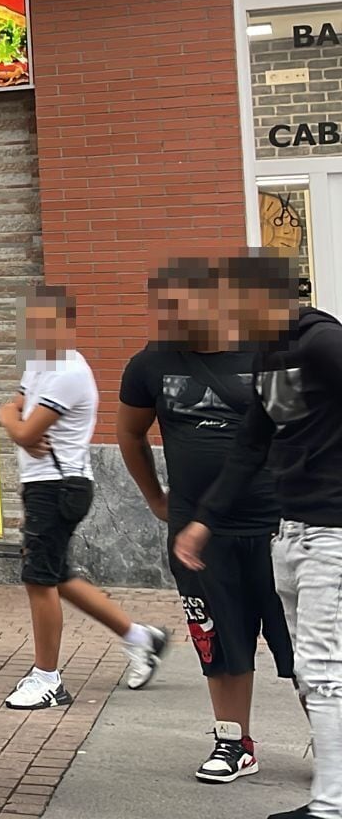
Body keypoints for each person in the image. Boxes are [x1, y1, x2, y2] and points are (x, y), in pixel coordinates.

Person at [180, 253, 342, 819]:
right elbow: (254, 443)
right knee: (310, 667)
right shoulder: (274, 356)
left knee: (323, 671)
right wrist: (203, 520)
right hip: (293, 532)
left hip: (334, 533)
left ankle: (331, 805)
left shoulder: (322, 342)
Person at [118, 258, 293, 784]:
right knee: (219, 640)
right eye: (159, 306)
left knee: (306, 645)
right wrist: (155, 498)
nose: (164, 317)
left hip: (277, 526)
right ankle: (233, 744)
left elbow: (302, 431)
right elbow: (129, 434)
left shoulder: (269, 352)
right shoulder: (149, 364)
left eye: (175, 305)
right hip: (197, 535)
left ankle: (331, 746)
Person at [0, 285, 168, 710]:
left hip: (60, 487)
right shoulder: (40, 363)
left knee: (40, 580)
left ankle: (47, 679)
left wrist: (16, 425)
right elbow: (13, 410)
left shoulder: (70, 372)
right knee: (55, 575)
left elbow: (24, 429)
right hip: (44, 486)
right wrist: (13, 420)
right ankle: (140, 636)